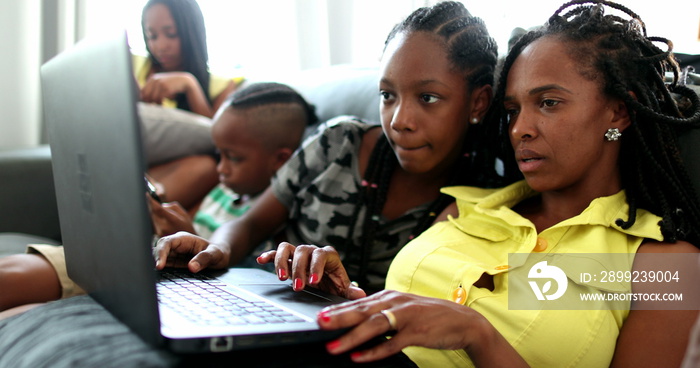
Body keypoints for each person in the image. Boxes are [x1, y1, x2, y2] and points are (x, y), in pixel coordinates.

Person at [271, 1, 700, 367]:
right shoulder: (465, 209)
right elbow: (405, 323)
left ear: (618, 113)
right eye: (513, 109)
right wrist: (344, 301)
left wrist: (480, 337)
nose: (520, 130)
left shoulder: (664, 264)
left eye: (548, 103)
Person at [154, 1, 501, 295]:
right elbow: (248, 225)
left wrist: (343, 298)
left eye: (427, 98)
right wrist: (216, 248)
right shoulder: (339, 142)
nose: (399, 120)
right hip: (255, 296)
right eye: (388, 96)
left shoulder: (482, 207)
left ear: (478, 102)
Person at [0, 82, 315, 319]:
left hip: (169, 278)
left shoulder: (272, 213)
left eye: (233, 158)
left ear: (280, 159)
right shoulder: (222, 191)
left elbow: (234, 261)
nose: (221, 168)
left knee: (17, 287)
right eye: (220, 155)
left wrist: (193, 237)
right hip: (147, 259)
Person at [137, 0, 244, 211]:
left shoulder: (222, 85)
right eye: (152, 36)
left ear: (190, 31)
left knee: (206, 167)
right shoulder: (136, 69)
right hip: (137, 170)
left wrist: (190, 85)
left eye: (171, 34)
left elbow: (217, 143)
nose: (160, 45)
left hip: (180, 176)